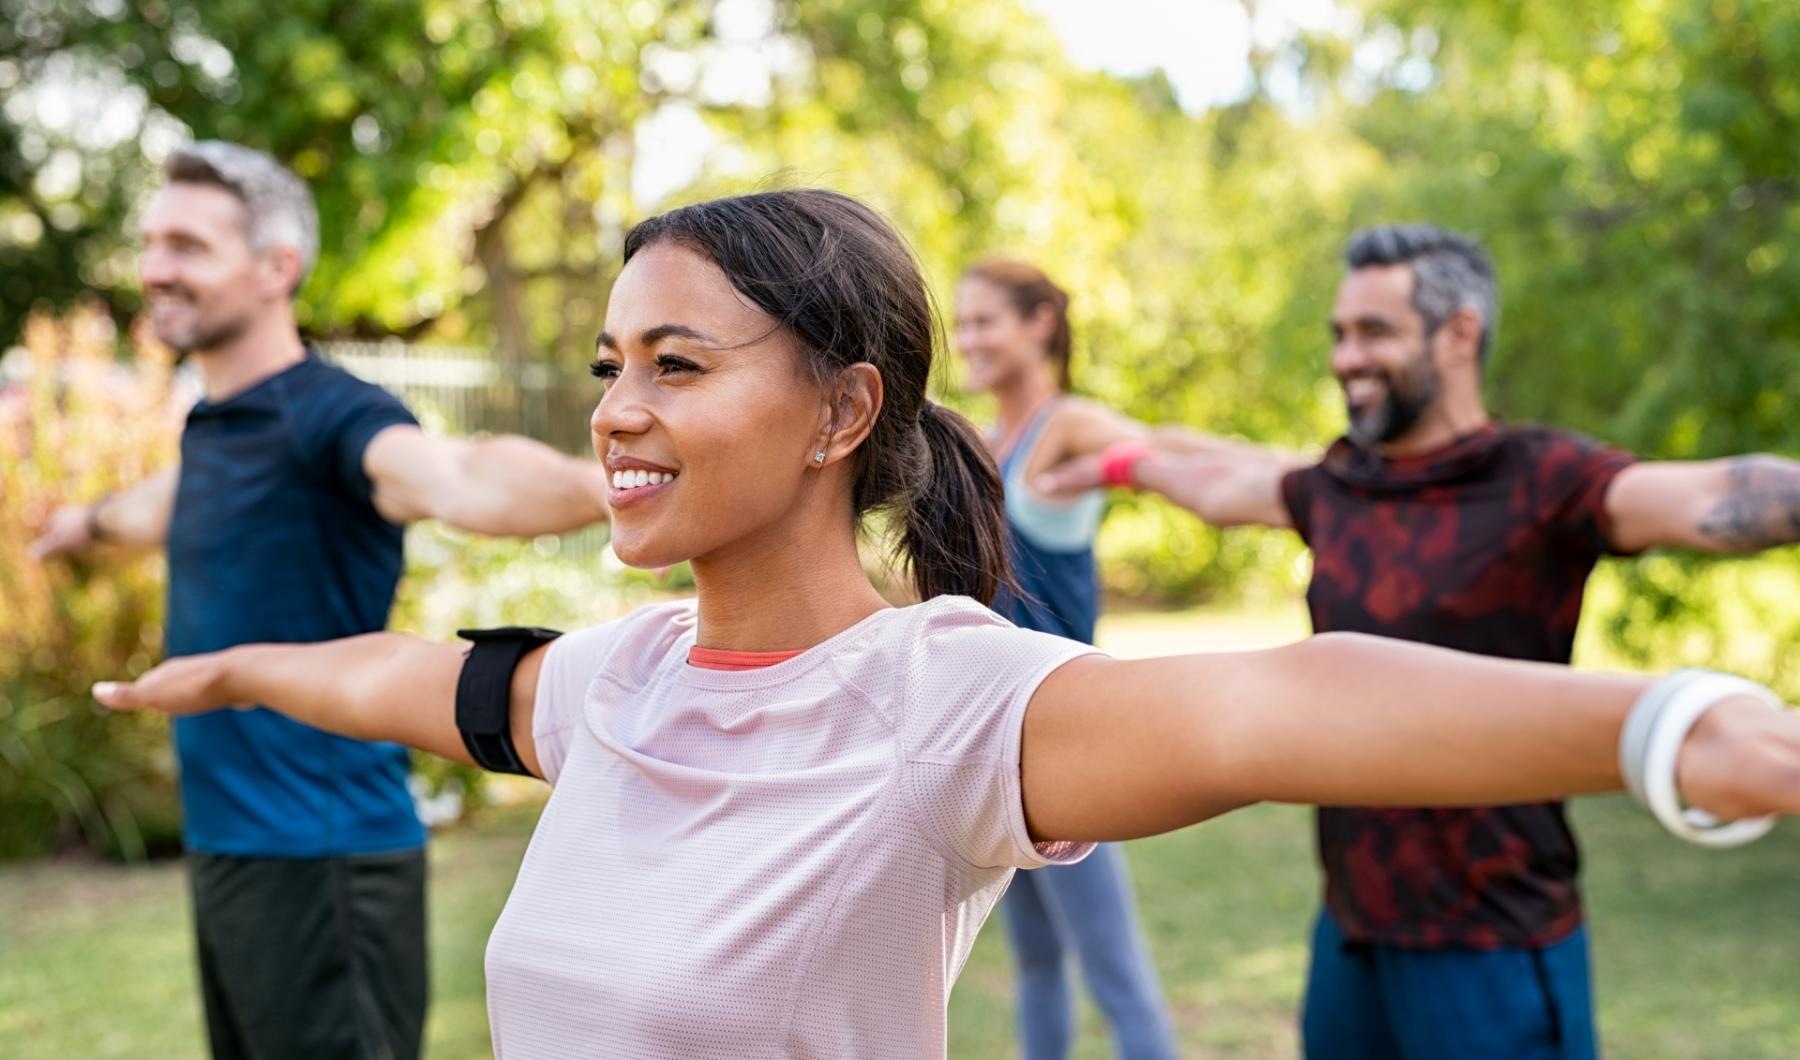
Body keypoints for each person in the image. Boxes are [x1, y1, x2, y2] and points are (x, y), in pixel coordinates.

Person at [91, 192, 1800, 1060]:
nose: (617, 408)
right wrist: (242, 668)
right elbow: (426, 684)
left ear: (842, 412)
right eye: (613, 363)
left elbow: (1286, 702)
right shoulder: (619, 678)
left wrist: (1669, 727)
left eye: (677, 365)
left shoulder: (942, 703)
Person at [1037, 223, 1800, 1059]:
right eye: (1339, 333)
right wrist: (1109, 464)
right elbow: (1218, 480)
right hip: (1353, 934)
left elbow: (1712, 495)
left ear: (1460, 332)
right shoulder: (1337, 485)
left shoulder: (1541, 480)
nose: (1344, 357)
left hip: (1492, 942)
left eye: (1374, 332)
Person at [31, 142, 611, 1060]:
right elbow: (163, 503)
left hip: (325, 860)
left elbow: (457, 475)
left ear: (277, 269)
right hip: (233, 853)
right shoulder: (221, 428)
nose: (153, 269)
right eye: (150, 243)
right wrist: (82, 524)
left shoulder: (331, 417)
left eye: (186, 245)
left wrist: (622, 487)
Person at [954, 260, 1176, 1059]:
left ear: (1040, 321)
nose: (968, 339)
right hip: (993, 738)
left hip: (1069, 730)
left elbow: (1163, 455)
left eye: (985, 321)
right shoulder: (980, 443)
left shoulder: (1069, 424)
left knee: (1112, 969)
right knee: (1038, 962)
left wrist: (1110, 469)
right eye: (963, 322)